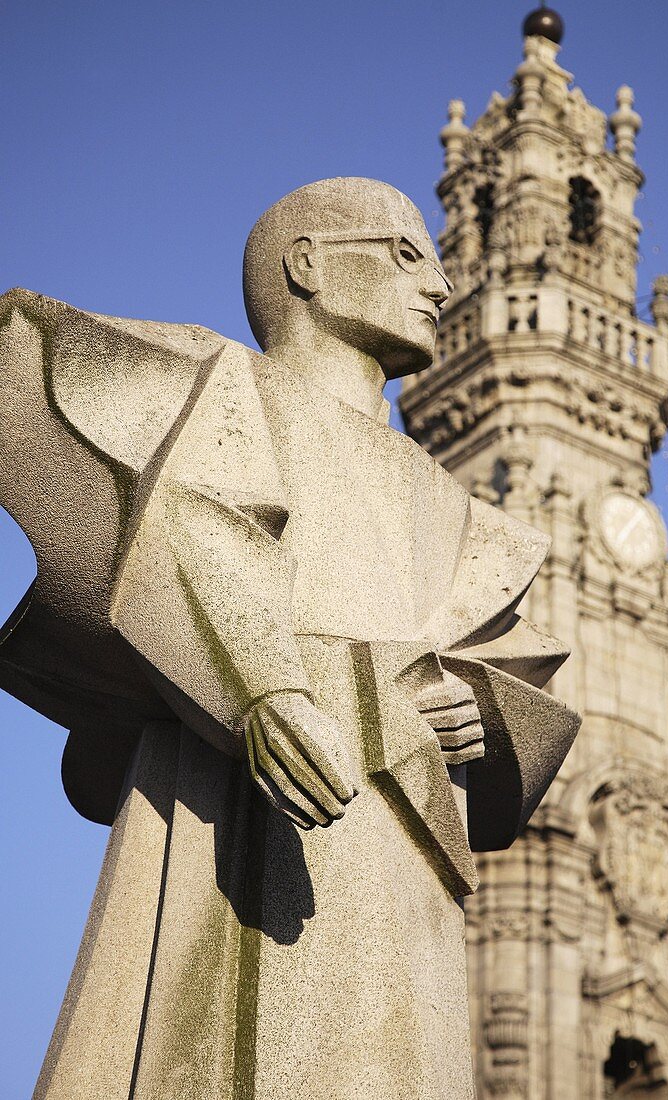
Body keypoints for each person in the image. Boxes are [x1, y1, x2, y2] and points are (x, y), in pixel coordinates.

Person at [0, 178, 578, 1099]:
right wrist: (259, 687)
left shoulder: (465, 510)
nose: (439, 283)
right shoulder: (211, 388)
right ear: (306, 265)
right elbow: (178, 544)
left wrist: (481, 717)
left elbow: (504, 673)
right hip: (237, 802)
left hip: (400, 859)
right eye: (404, 253)